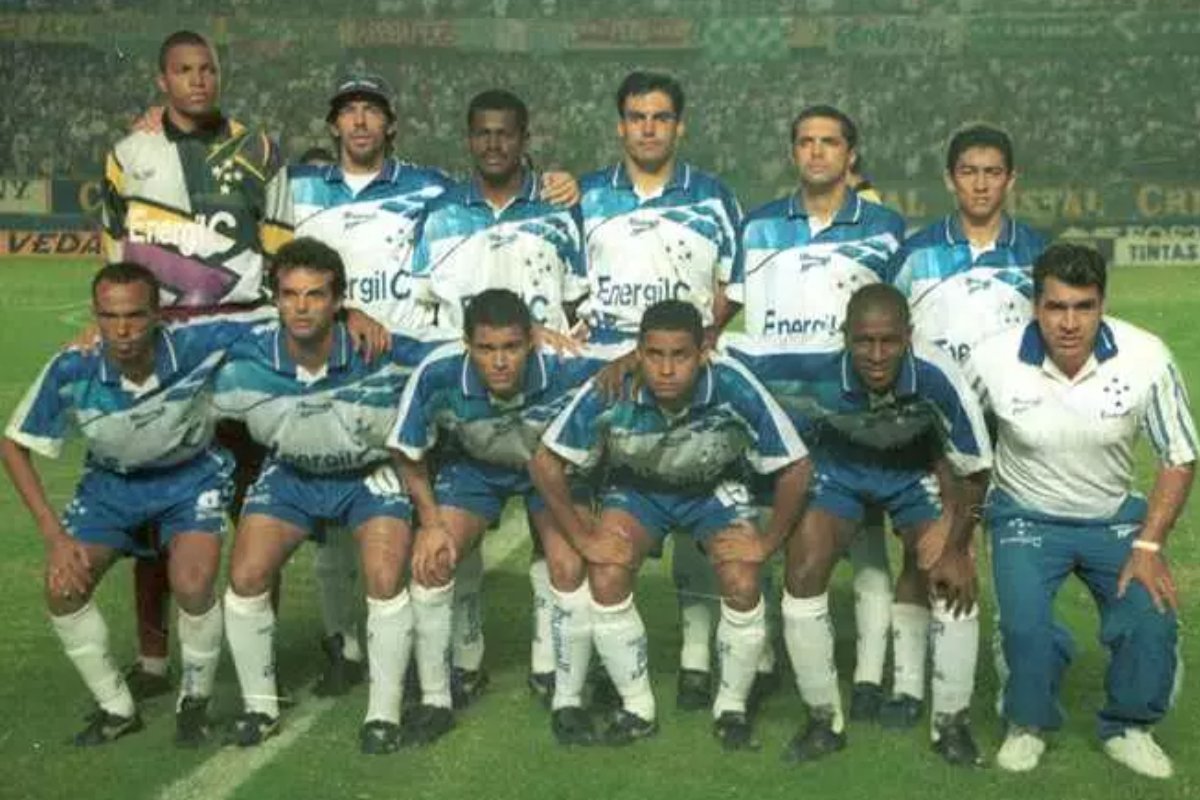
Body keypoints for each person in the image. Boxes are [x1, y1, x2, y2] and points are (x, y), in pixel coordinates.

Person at [723, 283, 992, 765]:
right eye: (864, 341)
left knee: (951, 577)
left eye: (889, 341)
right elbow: (718, 348)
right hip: (839, 468)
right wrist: (630, 358)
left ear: (909, 336)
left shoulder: (937, 375)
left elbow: (976, 469)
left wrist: (957, 544)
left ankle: (952, 724)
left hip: (911, 470)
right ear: (844, 335)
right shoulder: (810, 360)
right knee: (803, 572)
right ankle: (823, 720)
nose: (876, 355)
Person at [100, 29, 293, 699]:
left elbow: (280, 253)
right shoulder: (129, 155)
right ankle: (154, 663)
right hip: (166, 355)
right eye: (184, 70)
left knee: (256, 508)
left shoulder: (261, 151)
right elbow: (115, 263)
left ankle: (260, 657)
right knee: (156, 511)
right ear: (163, 80)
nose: (198, 79)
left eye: (207, 68)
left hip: (243, 351)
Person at [530, 300, 812, 750]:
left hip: (713, 488)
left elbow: (796, 466)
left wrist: (766, 542)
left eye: (679, 355)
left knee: (742, 581)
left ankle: (732, 707)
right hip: (639, 489)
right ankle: (637, 707)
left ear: (702, 353)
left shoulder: (732, 384)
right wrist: (583, 539)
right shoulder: (612, 387)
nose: (665, 369)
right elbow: (545, 463)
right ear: (637, 354)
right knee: (606, 573)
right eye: (655, 355)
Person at [966, 244, 1195, 778]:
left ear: (1102, 304)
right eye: (1056, 307)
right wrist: (960, 531)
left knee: (1150, 615)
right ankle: (1028, 723)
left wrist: (1149, 545)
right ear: (1036, 306)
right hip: (1024, 515)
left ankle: (1129, 727)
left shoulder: (1146, 356)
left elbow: (1180, 455)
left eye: (1084, 307)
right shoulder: (992, 360)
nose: (1069, 323)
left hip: (1113, 517)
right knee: (1026, 626)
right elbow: (960, 447)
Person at [212, 238, 448, 753]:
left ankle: (383, 714)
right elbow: (162, 340)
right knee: (246, 576)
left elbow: (460, 351)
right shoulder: (244, 354)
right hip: (291, 474)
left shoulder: (381, 349)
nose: (301, 307)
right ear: (275, 299)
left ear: (339, 300)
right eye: (290, 294)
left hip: (368, 475)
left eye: (315, 295)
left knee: (385, 577)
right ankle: (259, 708)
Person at [1, 263, 251, 747]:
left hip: (189, 479)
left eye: (135, 315)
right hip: (110, 488)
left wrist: (352, 316)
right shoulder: (73, 367)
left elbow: (286, 318)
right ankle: (117, 707)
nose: (122, 330)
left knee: (193, 582)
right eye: (109, 316)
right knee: (63, 590)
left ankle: (195, 702)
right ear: (94, 315)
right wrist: (55, 539)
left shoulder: (199, 343)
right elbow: (14, 446)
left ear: (159, 314)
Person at [577, 70, 747, 711]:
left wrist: (695, 340)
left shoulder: (715, 196)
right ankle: (603, 659)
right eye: (637, 117)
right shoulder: (587, 196)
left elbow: (733, 285)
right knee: (602, 523)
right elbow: (568, 284)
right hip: (605, 379)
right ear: (620, 125)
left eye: (660, 117)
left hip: (683, 372)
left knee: (690, 503)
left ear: (680, 126)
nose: (648, 129)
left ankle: (697, 658)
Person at [734, 104, 908, 720]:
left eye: (829, 142)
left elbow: (898, 318)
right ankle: (761, 660)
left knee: (865, 544)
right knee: (767, 535)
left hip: (852, 411)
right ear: (793, 152)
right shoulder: (758, 225)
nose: (816, 152)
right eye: (805, 141)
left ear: (850, 154)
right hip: (775, 411)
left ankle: (868, 676)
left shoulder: (885, 227)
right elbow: (731, 306)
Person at [391, 289, 614, 746]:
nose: (499, 361)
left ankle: (568, 699)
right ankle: (436, 700)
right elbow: (407, 451)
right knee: (433, 563)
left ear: (532, 341)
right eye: (486, 348)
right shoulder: (438, 372)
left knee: (569, 566)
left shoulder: (569, 366)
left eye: (511, 347)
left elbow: (639, 360)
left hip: (550, 470)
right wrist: (430, 524)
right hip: (475, 467)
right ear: (466, 345)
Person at [888, 124, 1049, 727]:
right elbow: (889, 335)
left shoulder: (1037, 253)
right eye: (969, 172)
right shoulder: (916, 253)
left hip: (1010, 433)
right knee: (921, 550)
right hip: (931, 431)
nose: (981, 184)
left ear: (1011, 179)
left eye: (992, 172)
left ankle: (1006, 678)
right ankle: (909, 688)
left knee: (1005, 557)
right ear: (950, 179)